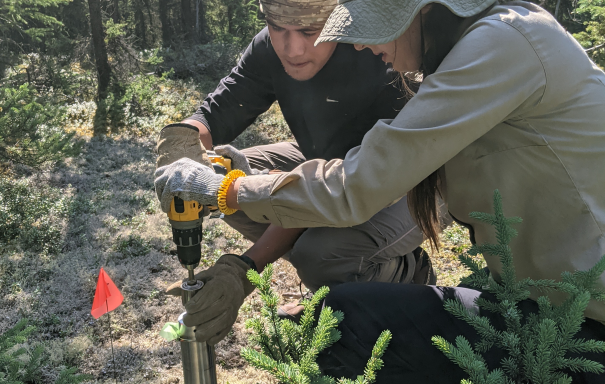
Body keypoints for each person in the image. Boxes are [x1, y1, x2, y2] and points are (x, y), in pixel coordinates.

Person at [155, 0, 605, 380]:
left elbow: (357, 186)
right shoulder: (472, 41)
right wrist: (193, 145)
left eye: (369, 27)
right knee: (336, 302)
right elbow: (228, 104)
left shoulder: (504, 44)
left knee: (340, 315)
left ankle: (400, 276)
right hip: (534, 300)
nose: (362, 43)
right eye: (279, 29)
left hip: (582, 323)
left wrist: (228, 201)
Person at [160, 0, 437, 331]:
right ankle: (339, 286)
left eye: (309, 31)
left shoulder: (377, 55)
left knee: (319, 254)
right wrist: (180, 145)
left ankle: (407, 281)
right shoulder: (268, 49)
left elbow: (341, 191)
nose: (292, 48)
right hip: (330, 171)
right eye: (279, 28)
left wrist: (243, 269)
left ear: (339, 23)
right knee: (218, 173)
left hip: (413, 182)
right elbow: (219, 109)